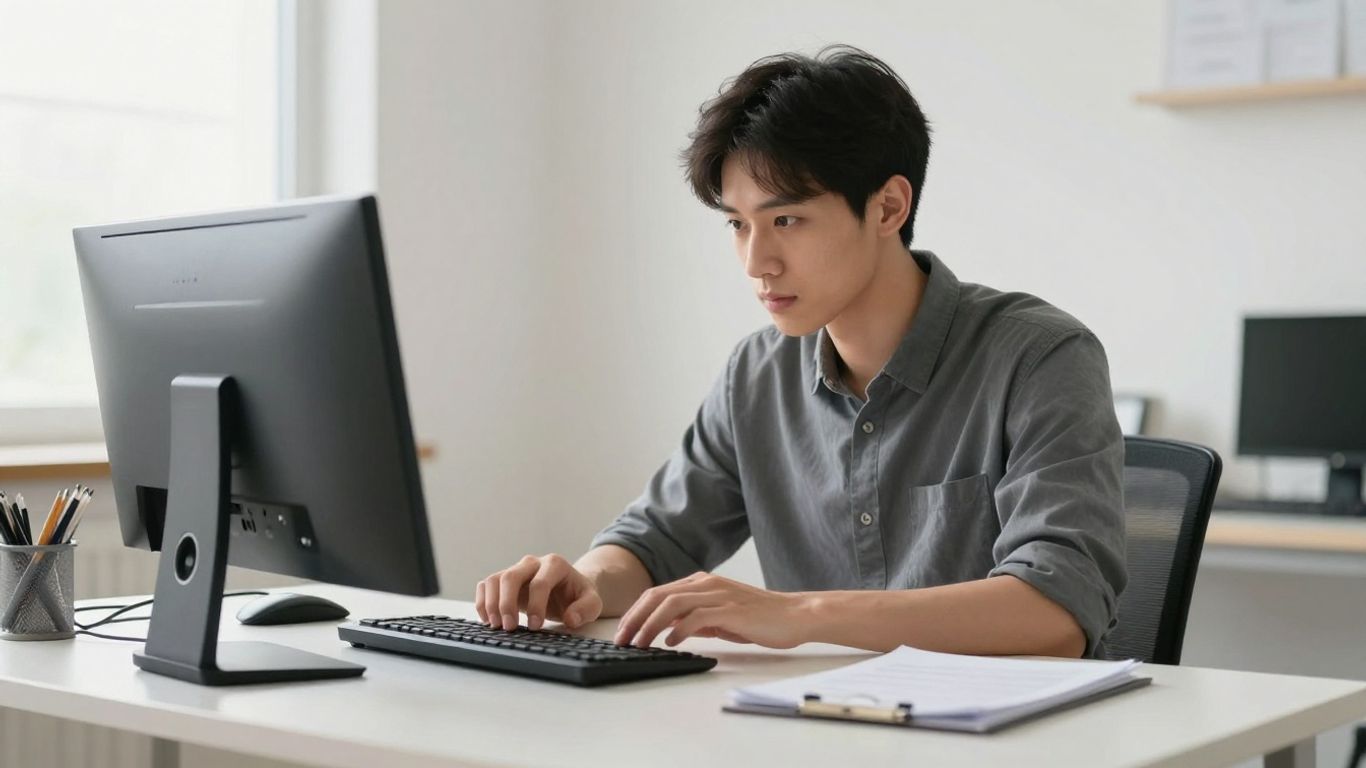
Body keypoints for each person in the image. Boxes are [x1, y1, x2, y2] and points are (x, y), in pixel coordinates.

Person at [475, 45, 1126, 659]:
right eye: (738, 224)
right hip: (810, 728)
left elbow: (1058, 611)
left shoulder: (1041, 358)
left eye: (786, 220)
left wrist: (800, 615)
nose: (757, 261)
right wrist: (586, 584)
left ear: (888, 207)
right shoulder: (756, 375)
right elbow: (654, 540)